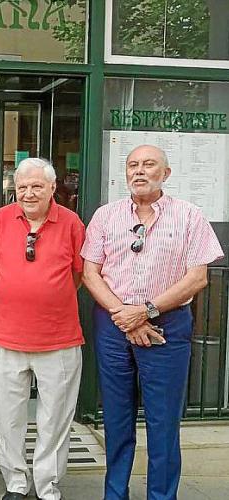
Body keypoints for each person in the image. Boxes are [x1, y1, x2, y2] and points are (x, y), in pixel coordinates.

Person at [81, 144, 223, 500]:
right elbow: (90, 273)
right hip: (113, 324)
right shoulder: (106, 216)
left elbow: (197, 278)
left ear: (166, 173)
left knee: (163, 422)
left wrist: (145, 312)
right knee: (116, 419)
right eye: (133, 165)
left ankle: (161, 496)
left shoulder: (189, 216)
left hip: (167, 325)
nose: (139, 171)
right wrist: (125, 315)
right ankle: (115, 494)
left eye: (148, 164)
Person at [0, 158, 85, 500]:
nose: (28, 193)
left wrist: (48, 297)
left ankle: (47, 486)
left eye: (37, 187)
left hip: (59, 339)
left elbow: (79, 274)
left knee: (55, 419)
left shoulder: (71, 223)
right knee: (7, 417)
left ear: (53, 188)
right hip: (5, 337)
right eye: (22, 187)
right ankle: (15, 483)